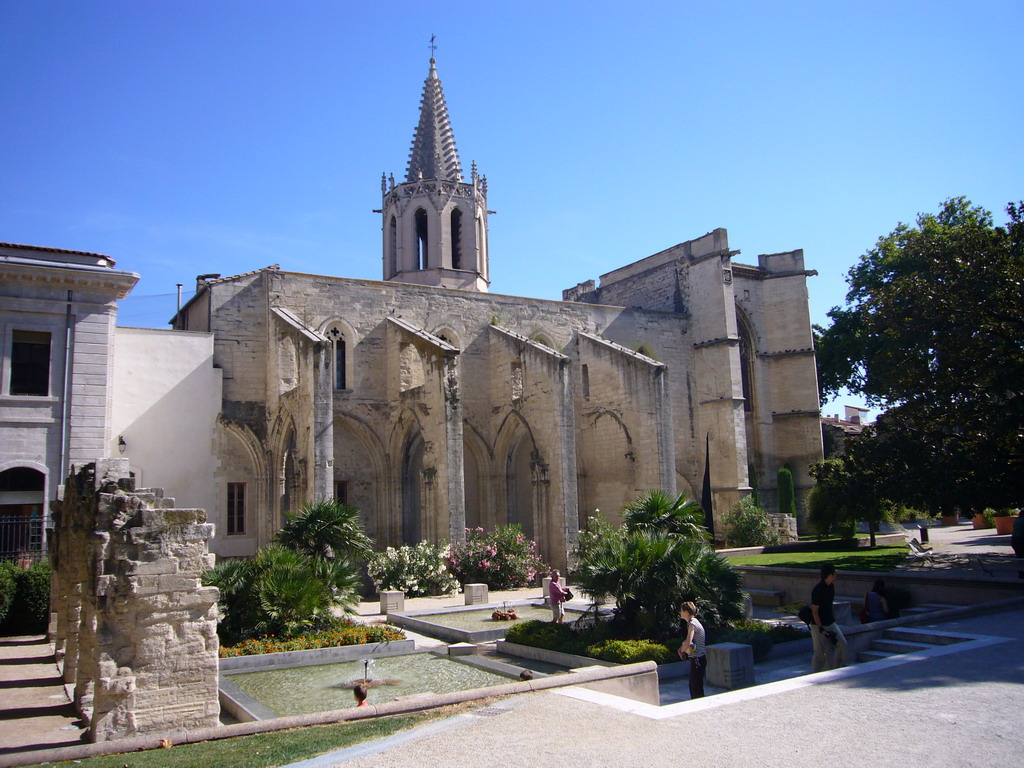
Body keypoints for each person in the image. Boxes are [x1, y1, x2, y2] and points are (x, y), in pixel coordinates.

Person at [810, 563, 847, 672]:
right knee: (819, 654)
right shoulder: (817, 590)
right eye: (834, 573)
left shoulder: (831, 587)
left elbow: (830, 604)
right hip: (817, 625)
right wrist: (821, 628)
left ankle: (836, 668)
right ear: (830, 575)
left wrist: (833, 619)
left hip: (830, 622)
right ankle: (815, 675)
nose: (836, 574)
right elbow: (815, 611)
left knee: (843, 643)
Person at [678, 601, 707, 699]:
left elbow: (689, 642)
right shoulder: (693, 622)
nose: (680, 613)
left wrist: (681, 650)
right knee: (694, 686)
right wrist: (682, 649)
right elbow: (691, 643)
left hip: (698, 659)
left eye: (681, 611)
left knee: (696, 688)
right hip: (698, 659)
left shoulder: (692, 624)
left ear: (686, 612)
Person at [1012, 509, 1024, 578]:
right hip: (1021, 541)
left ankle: (1021, 573)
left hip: (1014, 540)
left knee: (1019, 556)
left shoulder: (1017, 520)